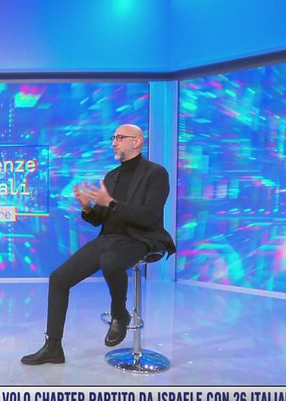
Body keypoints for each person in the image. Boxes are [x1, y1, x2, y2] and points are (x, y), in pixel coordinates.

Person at [21, 124, 175, 365]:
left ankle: (120, 314)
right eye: (113, 138)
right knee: (59, 278)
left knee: (110, 261)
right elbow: (99, 219)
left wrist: (111, 203)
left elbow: (149, 217)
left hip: (141, 238)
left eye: (120, 137)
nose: (114, 142)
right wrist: (87, 207)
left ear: (136, 142)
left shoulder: (156, 174)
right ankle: (53, 347)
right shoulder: (111, 177)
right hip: (110, 238)